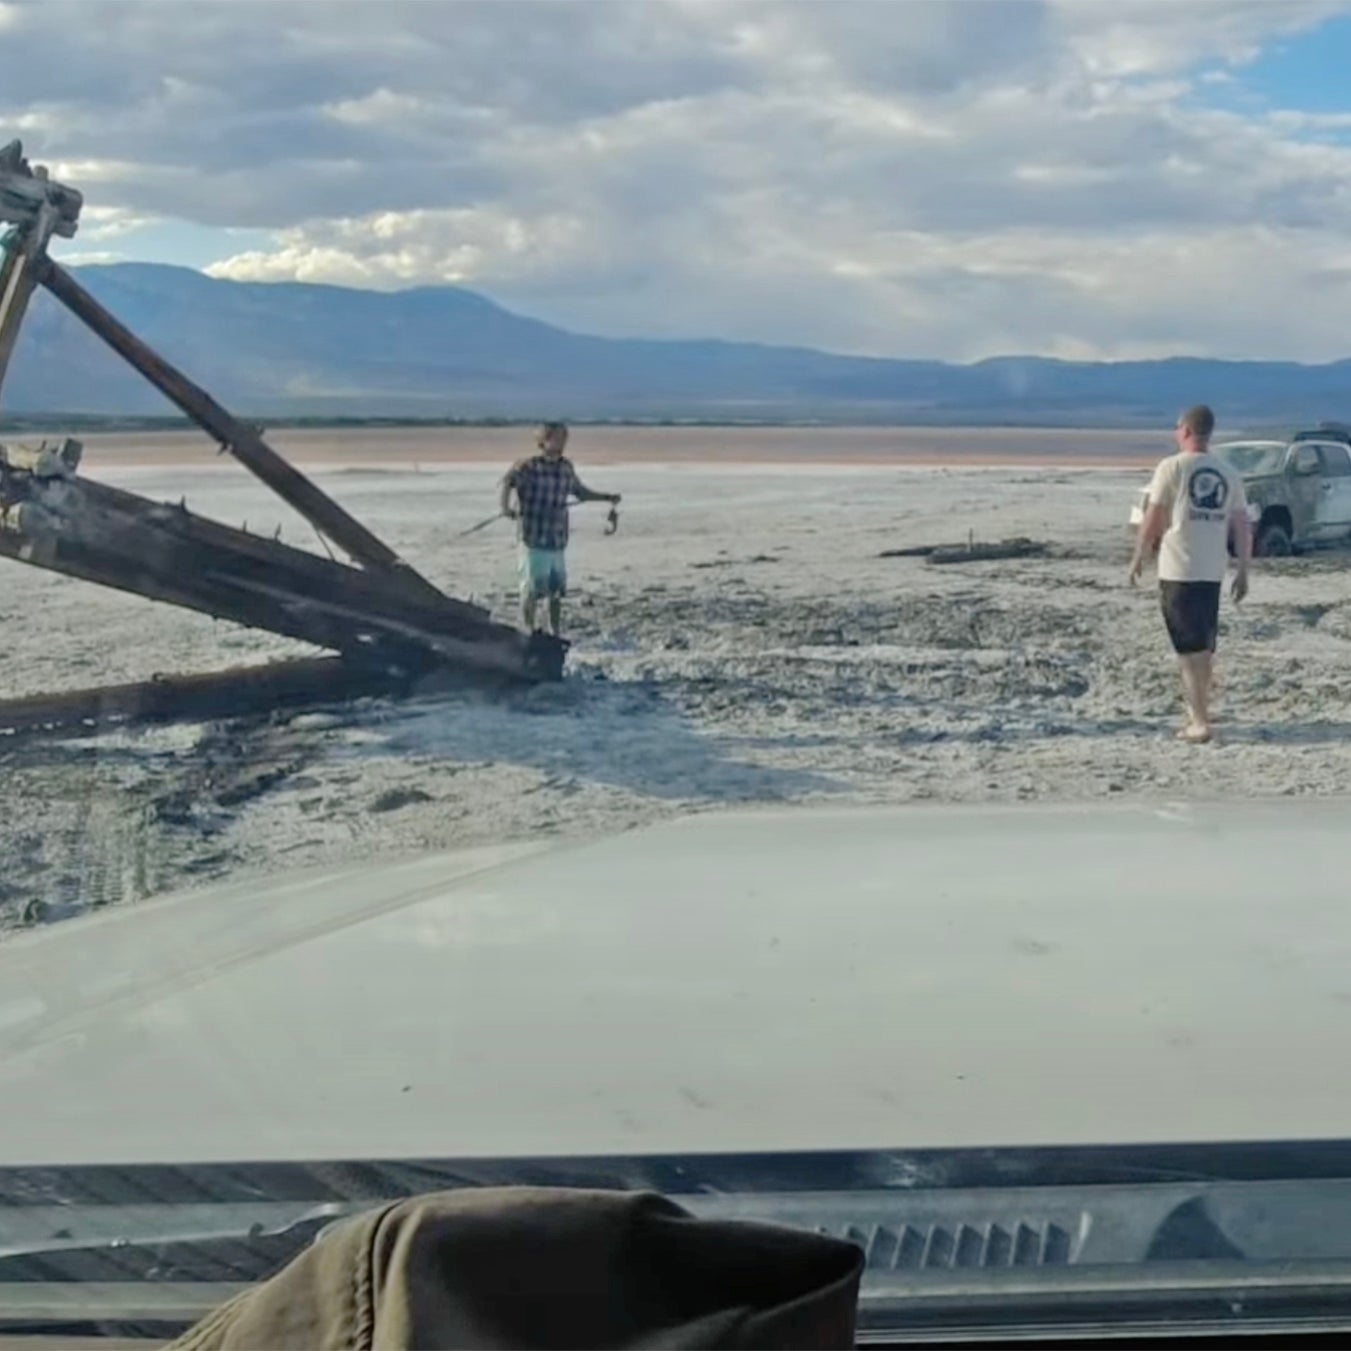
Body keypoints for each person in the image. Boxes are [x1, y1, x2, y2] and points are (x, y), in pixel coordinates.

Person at [1129, 404, 1251, 744]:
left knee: (1190, 652)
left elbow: (1153, 515)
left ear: (1184, 430)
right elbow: (1242, 525)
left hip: (1179, 571)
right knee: (1202, 648)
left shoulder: (1172, 467)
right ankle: (1199, 711)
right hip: (1211, 571)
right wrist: (1242, 569)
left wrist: (1139, 555)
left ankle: (1199, 721)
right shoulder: (1228, 471)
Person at [499, 422, 621, 637]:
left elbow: (580, 492)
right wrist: (506, 508)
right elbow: (508, 482)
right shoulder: (528, 466)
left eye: (564, 438)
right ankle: (527, 629)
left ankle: (554, 631)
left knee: (555, 590)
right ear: (543, 441)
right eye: (556, 438)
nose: (561, 443)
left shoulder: (566, 467)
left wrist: (606, 497)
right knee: (531, 588)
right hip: (533, 536)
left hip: (557, 537)